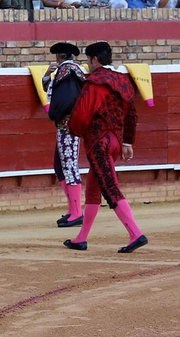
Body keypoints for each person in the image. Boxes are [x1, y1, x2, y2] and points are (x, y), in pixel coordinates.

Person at [63, 41, 146, 253]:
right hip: (116, 142)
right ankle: (81, 238)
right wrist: (127, 142)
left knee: (110, 187)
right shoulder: (124, 80)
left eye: (89, 61)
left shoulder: (95, 82)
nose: (88, 65)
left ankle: (135, 233)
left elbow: (82, 114)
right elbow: (132, 114)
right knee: (94, 188)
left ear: (95, 59)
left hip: (99, 142)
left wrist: (75, 130)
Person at [43, 40, 86, 227]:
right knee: (61, 166)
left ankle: (76, 212)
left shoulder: (65, 71)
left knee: (68, 167)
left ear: (58, 56)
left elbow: (65, 100)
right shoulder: (73, 71)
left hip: (68, 126)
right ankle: (72, 210)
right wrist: (46, 75)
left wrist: (57, 115)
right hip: (67, 125)